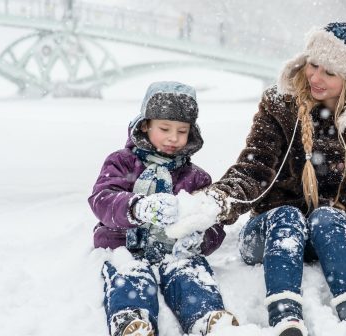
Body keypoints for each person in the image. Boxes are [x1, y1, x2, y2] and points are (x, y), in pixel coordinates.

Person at [195, 22, 346, 336]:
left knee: (326, 217)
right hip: (272, 231)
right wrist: (219, 199)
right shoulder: (280, 105)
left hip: (333, 234)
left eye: (329, 73)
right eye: (313, 64)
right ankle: (286, 319)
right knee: (287, 216)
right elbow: (255, 167)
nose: (315, 77)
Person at [89, 82, 238, 336]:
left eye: (182, 131)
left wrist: (200, 237)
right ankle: (132, 320)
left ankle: (207, 318)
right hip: (125, 245)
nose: (173, 138)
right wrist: (137, 207)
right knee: (130, 275)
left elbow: (212, 222)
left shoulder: (196, 178)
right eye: (165, 129)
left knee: (189, 273)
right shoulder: (122, 162)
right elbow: (102, 199)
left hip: (174, 252)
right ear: (145, 125)